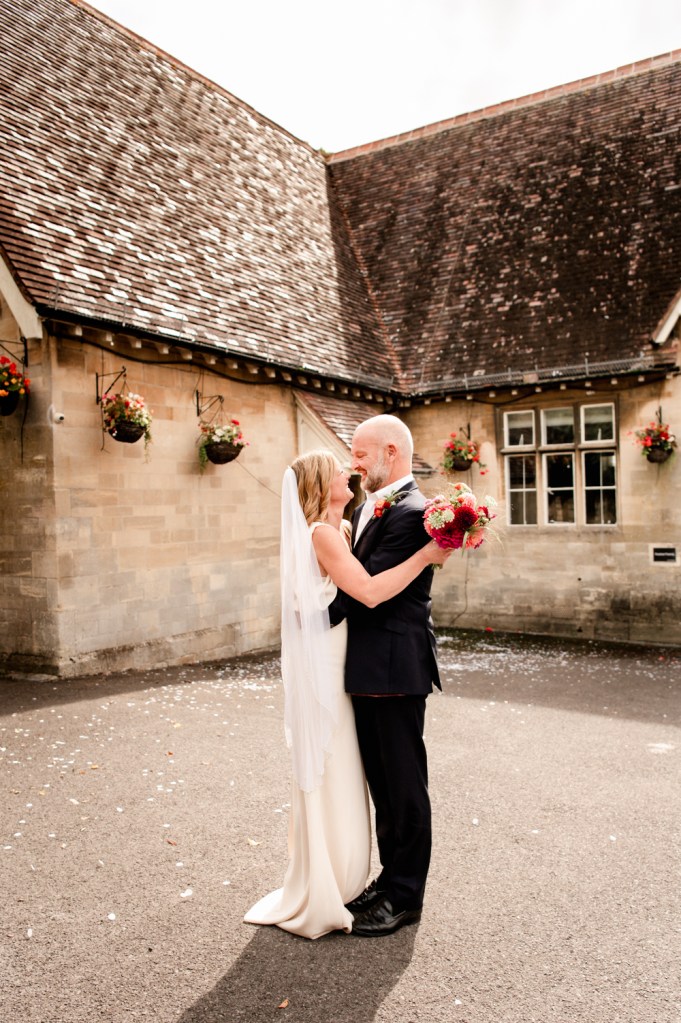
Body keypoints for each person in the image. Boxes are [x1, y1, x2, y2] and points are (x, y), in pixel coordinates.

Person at [244, 450, 448, 940]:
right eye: (340, 467)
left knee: (373, 775)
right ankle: (333, 878)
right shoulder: (322, 533)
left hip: (357, 664)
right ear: (320, 482)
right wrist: (427, 554)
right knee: (342, 767)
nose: (349, 470)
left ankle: (369, 884)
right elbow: (367, 593)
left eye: (354, 458)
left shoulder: (349, 526)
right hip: (334, 665)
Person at [338, 414, 443, 938]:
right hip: (368, 666)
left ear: (392, 453)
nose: (353, 463)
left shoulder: (413, 513)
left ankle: (405, 897)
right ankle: (389, 878)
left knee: (403, 786)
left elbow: (370, 587)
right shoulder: (372, 507)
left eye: (360, 453)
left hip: (394, 667)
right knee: (382, 783)